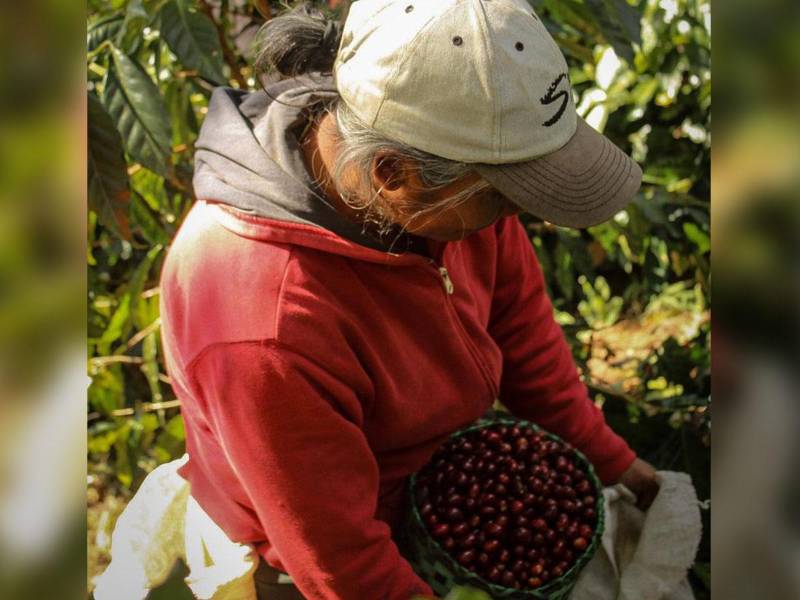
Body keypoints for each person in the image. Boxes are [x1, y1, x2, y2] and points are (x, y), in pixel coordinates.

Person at [158, 0, 659, 598]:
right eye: (502, 196)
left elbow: (520, 330)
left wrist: (610, 460)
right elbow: (343, 563)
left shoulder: (449, 188)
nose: (520, 214)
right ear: (393, 174)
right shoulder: (264, 326)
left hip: (428, 488)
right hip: (315, 557)